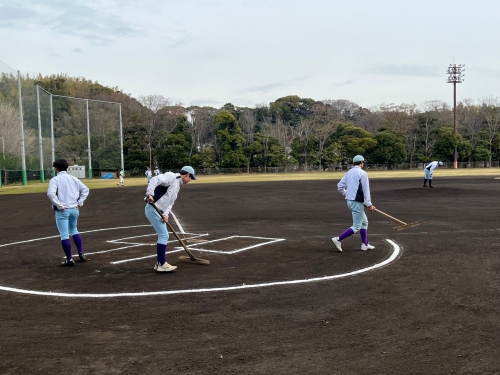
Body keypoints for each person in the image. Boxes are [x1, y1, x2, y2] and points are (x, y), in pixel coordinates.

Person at [145, 166, 196, 272]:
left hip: (159, 211)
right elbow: (155, 179)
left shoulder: (177, 186)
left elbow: (170, 203)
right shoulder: (171, 177)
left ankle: (159, 263)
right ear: (187, 174)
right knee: (164, 235)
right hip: (153, 208)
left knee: (163, 235)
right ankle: (161, 264)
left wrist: (166, 214)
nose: (190, 180)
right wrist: (150, 193)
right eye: (191, 178)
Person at [47, 159, 90, 266]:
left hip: (63, 210)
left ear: (56, 168)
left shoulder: (55, 179)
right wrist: (79, 203)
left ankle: (69, 259)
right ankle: (81, 253)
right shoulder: (74, 178)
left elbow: (51, 194)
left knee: (64, 234)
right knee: (74, 230)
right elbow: (85, 190)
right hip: (74, 209)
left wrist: (59, 205)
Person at [331, 155, 376, 252]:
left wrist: (348, 194)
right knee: (357, 226)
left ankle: (365, 244)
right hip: (356, 203)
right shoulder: (362, 173)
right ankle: (338, 239)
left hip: (351, 201)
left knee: (364, 222)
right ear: (361, 163)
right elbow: (366, 190)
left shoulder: (349, 172)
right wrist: (369, 204)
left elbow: (340, 186)